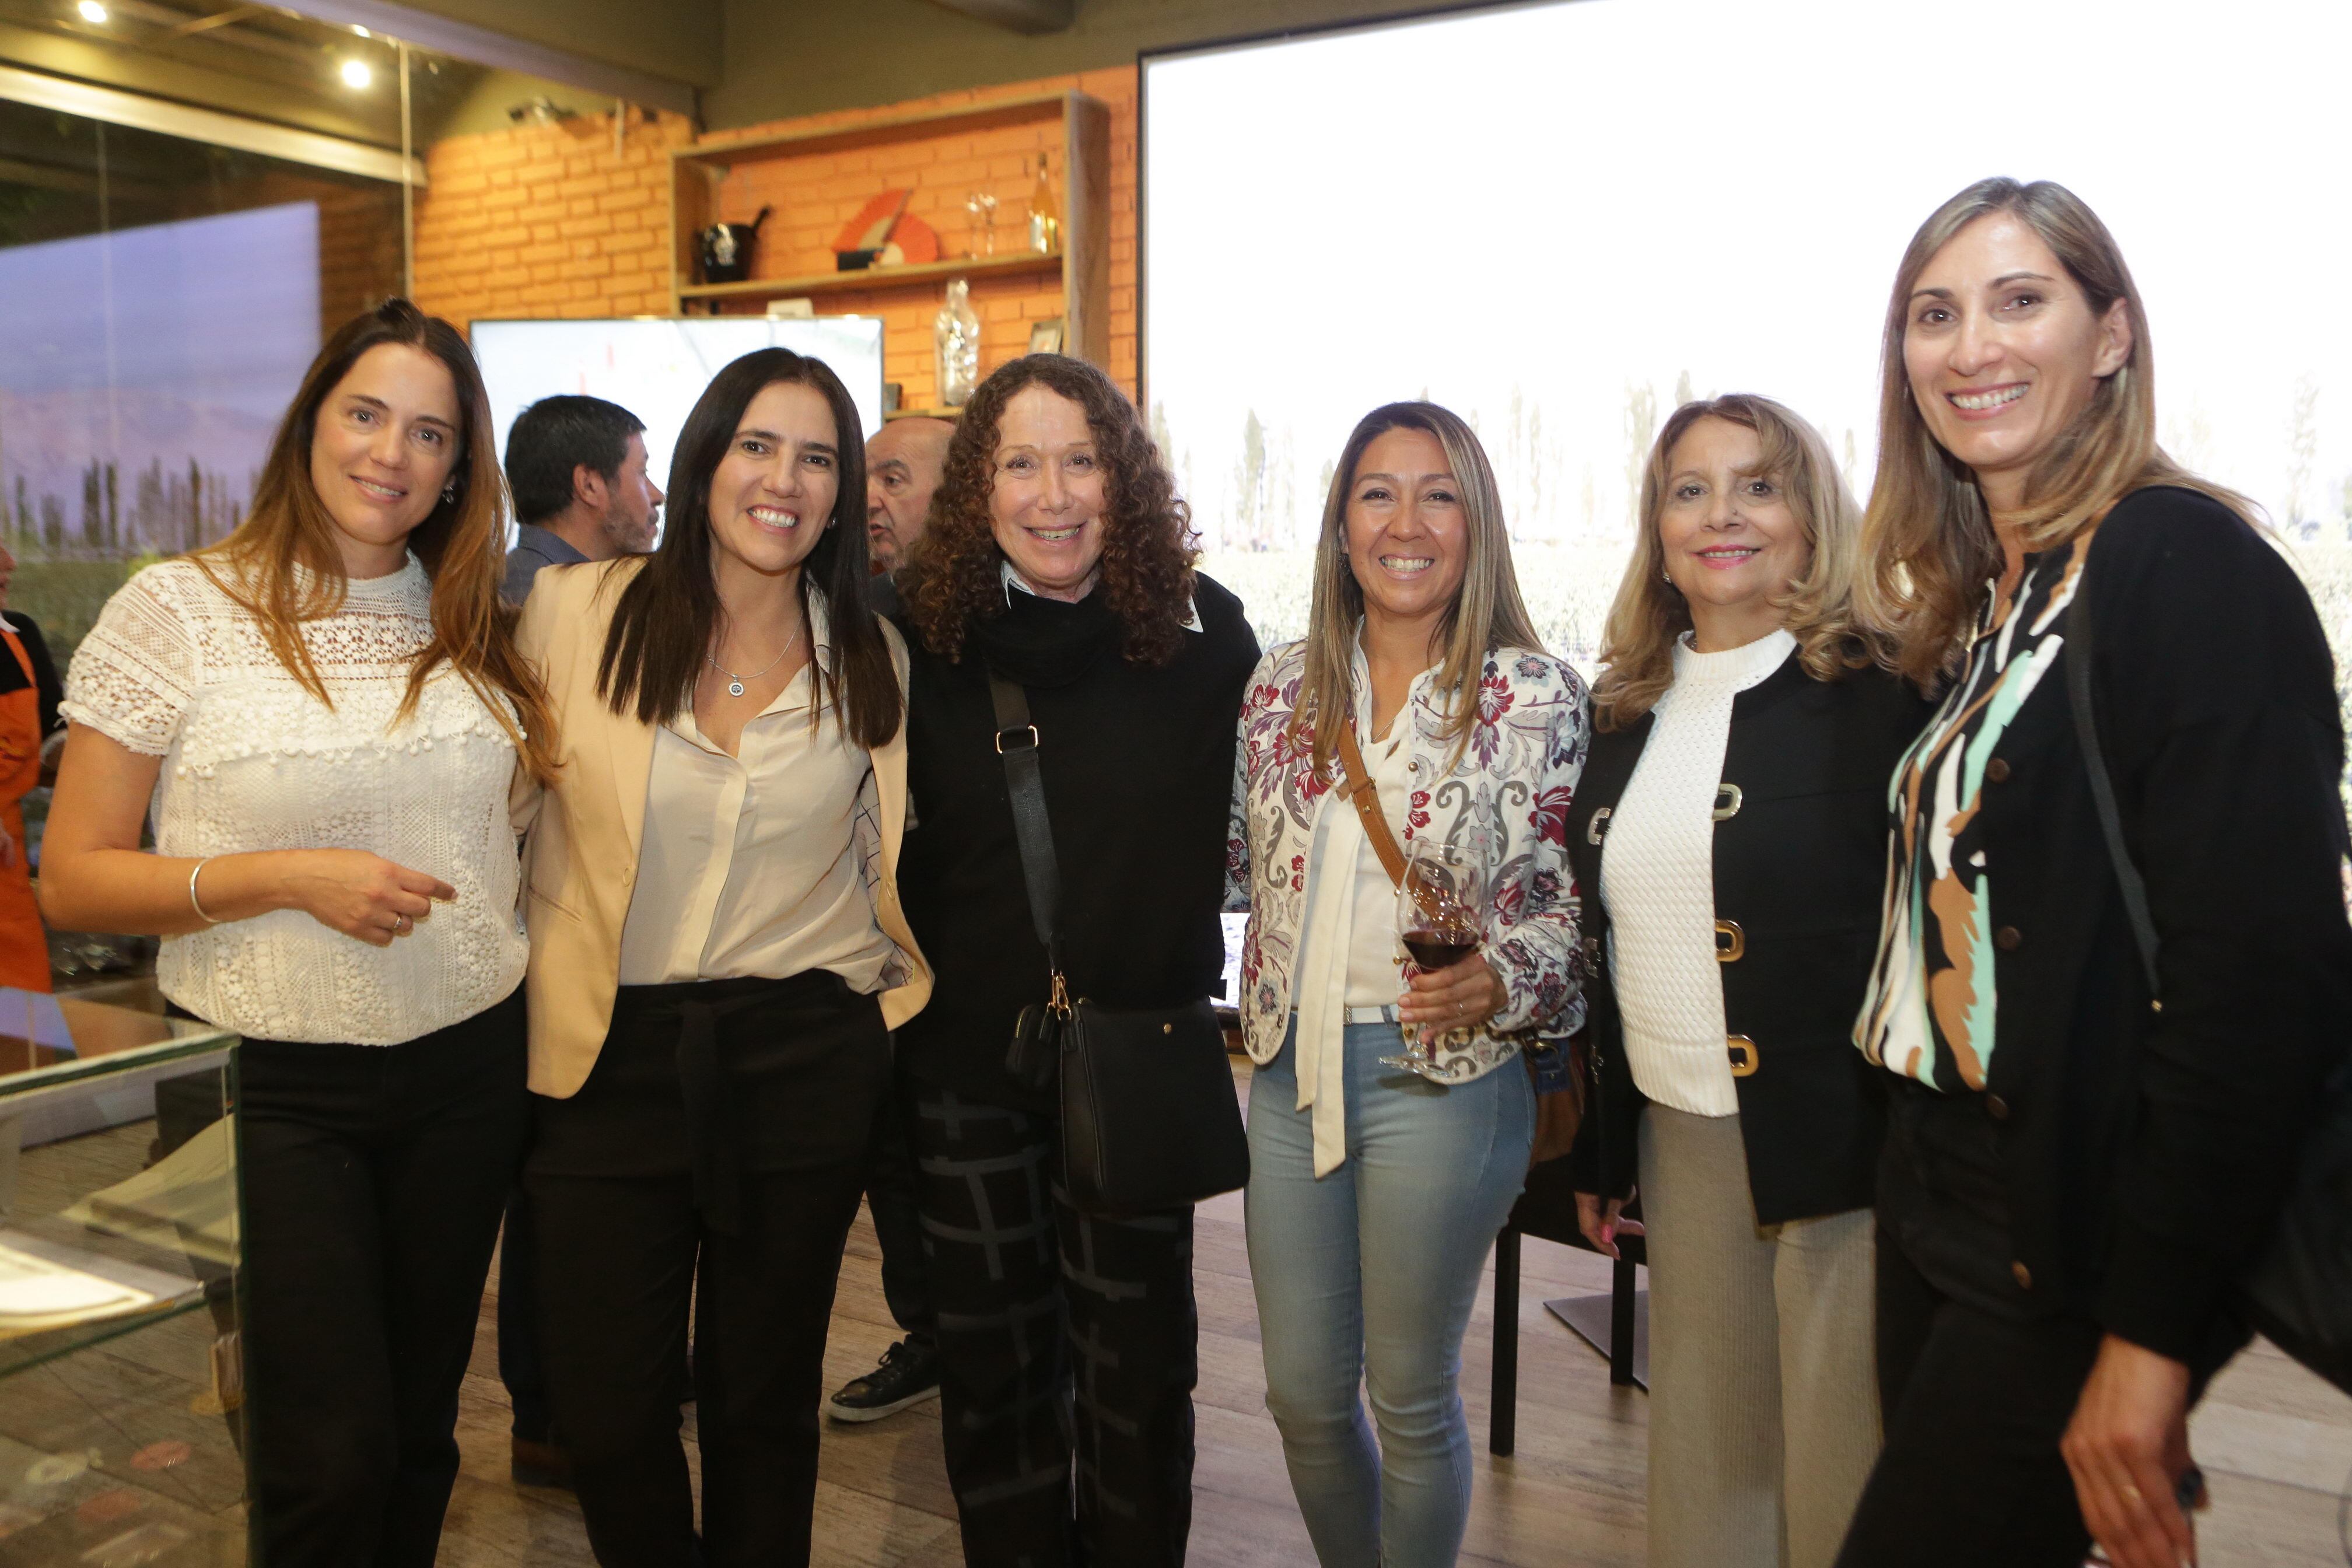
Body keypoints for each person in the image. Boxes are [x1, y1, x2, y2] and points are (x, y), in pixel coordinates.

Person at [1835, 178, 2352, 1568]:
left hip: (2064, 1222)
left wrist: (2150, 1334)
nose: (1971, 347)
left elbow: (2263, 987)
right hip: (1932, 1190)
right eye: (1934, 315)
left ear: (2112, 335)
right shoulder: (1995, 602)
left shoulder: (2186, 569)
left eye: (2022, 301)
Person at [38, 298, 558, 1566]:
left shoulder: (477, 615)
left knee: (423, 1432)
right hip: (267, 1086)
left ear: (458, 466)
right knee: (324, 1455)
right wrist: (285, 876)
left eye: (430, 433)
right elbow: (77, 881)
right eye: (366, 415)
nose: (392, 454)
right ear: (310, 424)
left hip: (468, 1067)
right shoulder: (182, 610)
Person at [514, 346, 929, 1567]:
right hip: (605, 1055)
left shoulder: (873, 659)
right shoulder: (571, 614)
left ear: (844, 495)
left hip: (801, 1060)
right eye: (758, 445)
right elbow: (504, 814)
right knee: (608, 1410)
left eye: (816, 458)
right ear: (704, 463)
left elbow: (883, 863)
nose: (783, 480)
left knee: (763, 1399)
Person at [891, 353, 1258, 1567]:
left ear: (1128, 478)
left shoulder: (1205, 640)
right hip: (966, 1075)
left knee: (1137, 1384)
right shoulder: (919, 641)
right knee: (992, 1381)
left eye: (1083, 459)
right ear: (977, 490)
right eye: (1020, 463)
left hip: (1141, 1063)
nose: (1055, 495)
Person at [1566, 395, 1931, 1568]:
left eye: (1757, 485)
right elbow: (1609, 947)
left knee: (1847, 1475)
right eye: (1690, 490)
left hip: (1847, 1149)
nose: (1722, 515)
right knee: (1710, 1473)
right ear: (1659, 530)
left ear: (1811, 517)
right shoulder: (1621, 708)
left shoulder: (1888, 697)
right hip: (1683, 1141)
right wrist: (1603, 1154)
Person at [1230, 400, 1584, 1568]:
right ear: (1340, 528)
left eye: (1439, 494)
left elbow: (1580, 915)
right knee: (1302, 1397)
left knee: (1409, 1395)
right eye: (1378, 493)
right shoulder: (1281, 689)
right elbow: (1239, 861)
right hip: (1286, 1077)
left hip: (1446, 1083)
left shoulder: (1535, 699)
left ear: (1476, 524)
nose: (1407, 521)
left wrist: (1504, 976)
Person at [493, 390, 660, 1489]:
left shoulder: (513, 587)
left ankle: (555, 1412)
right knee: (553, 1202)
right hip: (540, 945)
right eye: (642, 470)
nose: (654, 494)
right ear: (593, 484)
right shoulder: (545, 605)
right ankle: (558, 1416)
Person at [827, 412, 957, 1425]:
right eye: (864, 474)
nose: (869, 495)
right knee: (887, 1154)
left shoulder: (985, 624)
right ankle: (932, 1333)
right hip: (863, 955)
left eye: (896, 477)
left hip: (972, 954)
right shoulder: (841, 615)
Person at [500, 394, 664, 603]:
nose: (658, 496)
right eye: (642, 472)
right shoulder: (538, 604)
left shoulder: (523, 582)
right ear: (589, 486)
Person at [0, 540, 62, 993]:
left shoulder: (18, 635)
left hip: (8, 870)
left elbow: (53, 737)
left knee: (23, 1034)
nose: (10, 563)